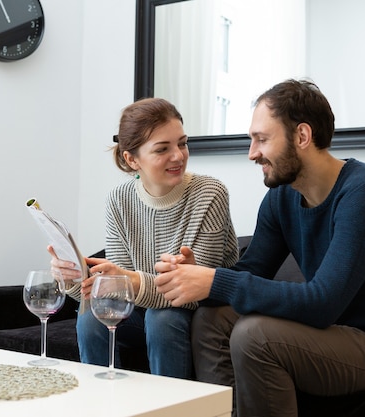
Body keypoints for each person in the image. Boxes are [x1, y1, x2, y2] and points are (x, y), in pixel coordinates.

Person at [153, 79, 365, 415]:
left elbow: (323, 303)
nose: (252, 153)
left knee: (255, 335)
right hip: (339, 336)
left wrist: (215, 281)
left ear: (302, 136)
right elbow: (251, 272)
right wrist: (194, 276)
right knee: (212, 318)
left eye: (262, 139)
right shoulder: (282, 197)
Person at [49, 97, 239, 380]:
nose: (178, 156)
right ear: (131, 158)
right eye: (163, 149)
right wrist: (72, 279)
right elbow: (117, 292)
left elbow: (195, 293)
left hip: (200, 310)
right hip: (143, 307)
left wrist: (129, 280)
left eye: (182, 143)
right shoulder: (119, 200)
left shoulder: (209, 193)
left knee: (162, 319)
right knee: (90, 318)